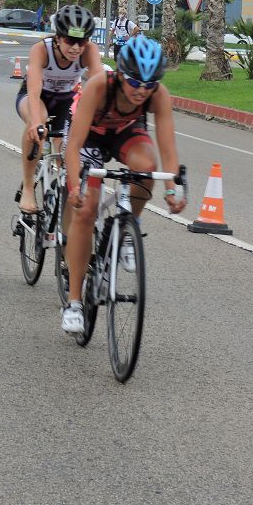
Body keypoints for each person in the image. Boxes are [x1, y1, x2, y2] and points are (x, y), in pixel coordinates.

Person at [60, 37, 186, 334]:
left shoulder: (157, 94)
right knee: (87, 210)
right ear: (120, 74)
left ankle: (131, 223)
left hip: (125, 133)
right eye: (134, 81)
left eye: (150, 83)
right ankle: (75, 302)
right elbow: (74, 144)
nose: (142, 90)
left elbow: (168, 150)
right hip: (89, 136)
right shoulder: (99, 86)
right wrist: (74, 187)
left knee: (147, 167)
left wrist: (172, 189)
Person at [15, 4, 104, 213]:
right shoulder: (41, 49)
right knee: (38, 124)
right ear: (58, 37)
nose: (76, 47)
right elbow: (35, 90)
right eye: (70, 41)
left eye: (82, 41)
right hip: (34, 97)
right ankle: (28, 188)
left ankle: (63, 187)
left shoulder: (89, 51)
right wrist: (36, 121)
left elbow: (99, 84)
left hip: (65, 99)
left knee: (67, 145)